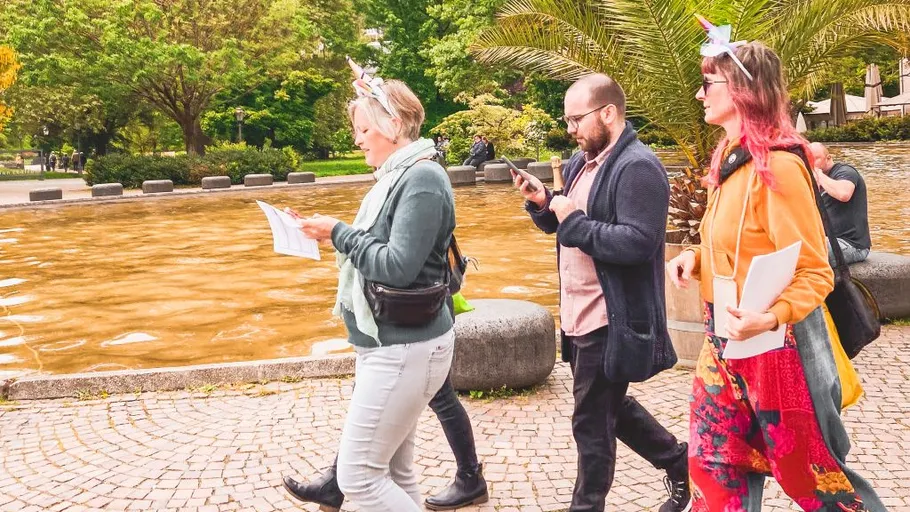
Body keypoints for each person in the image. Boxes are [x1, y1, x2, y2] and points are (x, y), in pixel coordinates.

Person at [665, 23, 886, 511]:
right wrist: (694, 257)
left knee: (813, 478)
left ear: (741, 90)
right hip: (724, 342)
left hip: (777, 348)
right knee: (712, 463)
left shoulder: (780, 167)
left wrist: (770, 316)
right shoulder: (727, 159)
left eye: (708, 83)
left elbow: (815, 271)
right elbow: (731, 245)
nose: (699, 94)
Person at [282, 63, 487, 512]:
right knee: (395, 472)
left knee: (357, 475)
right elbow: (380, 248)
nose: (357, 139)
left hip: (403, 348)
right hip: (393, 345)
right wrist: (328, 231)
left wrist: (338, 231)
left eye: (363, 129)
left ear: (393, 126)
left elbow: (396, 267)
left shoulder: (422, 179)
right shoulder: (398, 176)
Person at [512, 73, 690, 512]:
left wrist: (571, 219)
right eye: (568, 119)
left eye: (577, 119)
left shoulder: (639, 167)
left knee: (590, 422)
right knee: (609, 406)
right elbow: (570, 224)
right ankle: (681, 462)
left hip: (612, 319)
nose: (570, 128)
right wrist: (544, 203)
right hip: (577, 313)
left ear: (608, 113)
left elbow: (637, 243)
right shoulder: (580, 163)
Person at [808, 142, 871, 265]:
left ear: (828, 158)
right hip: (827, 240)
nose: (811, 163)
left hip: (852, 245)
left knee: (806, 253)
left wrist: (818, 175)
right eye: (808, 159)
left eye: (815, 159)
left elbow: (843, 194)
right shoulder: (813, 181)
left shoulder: (846, 171)